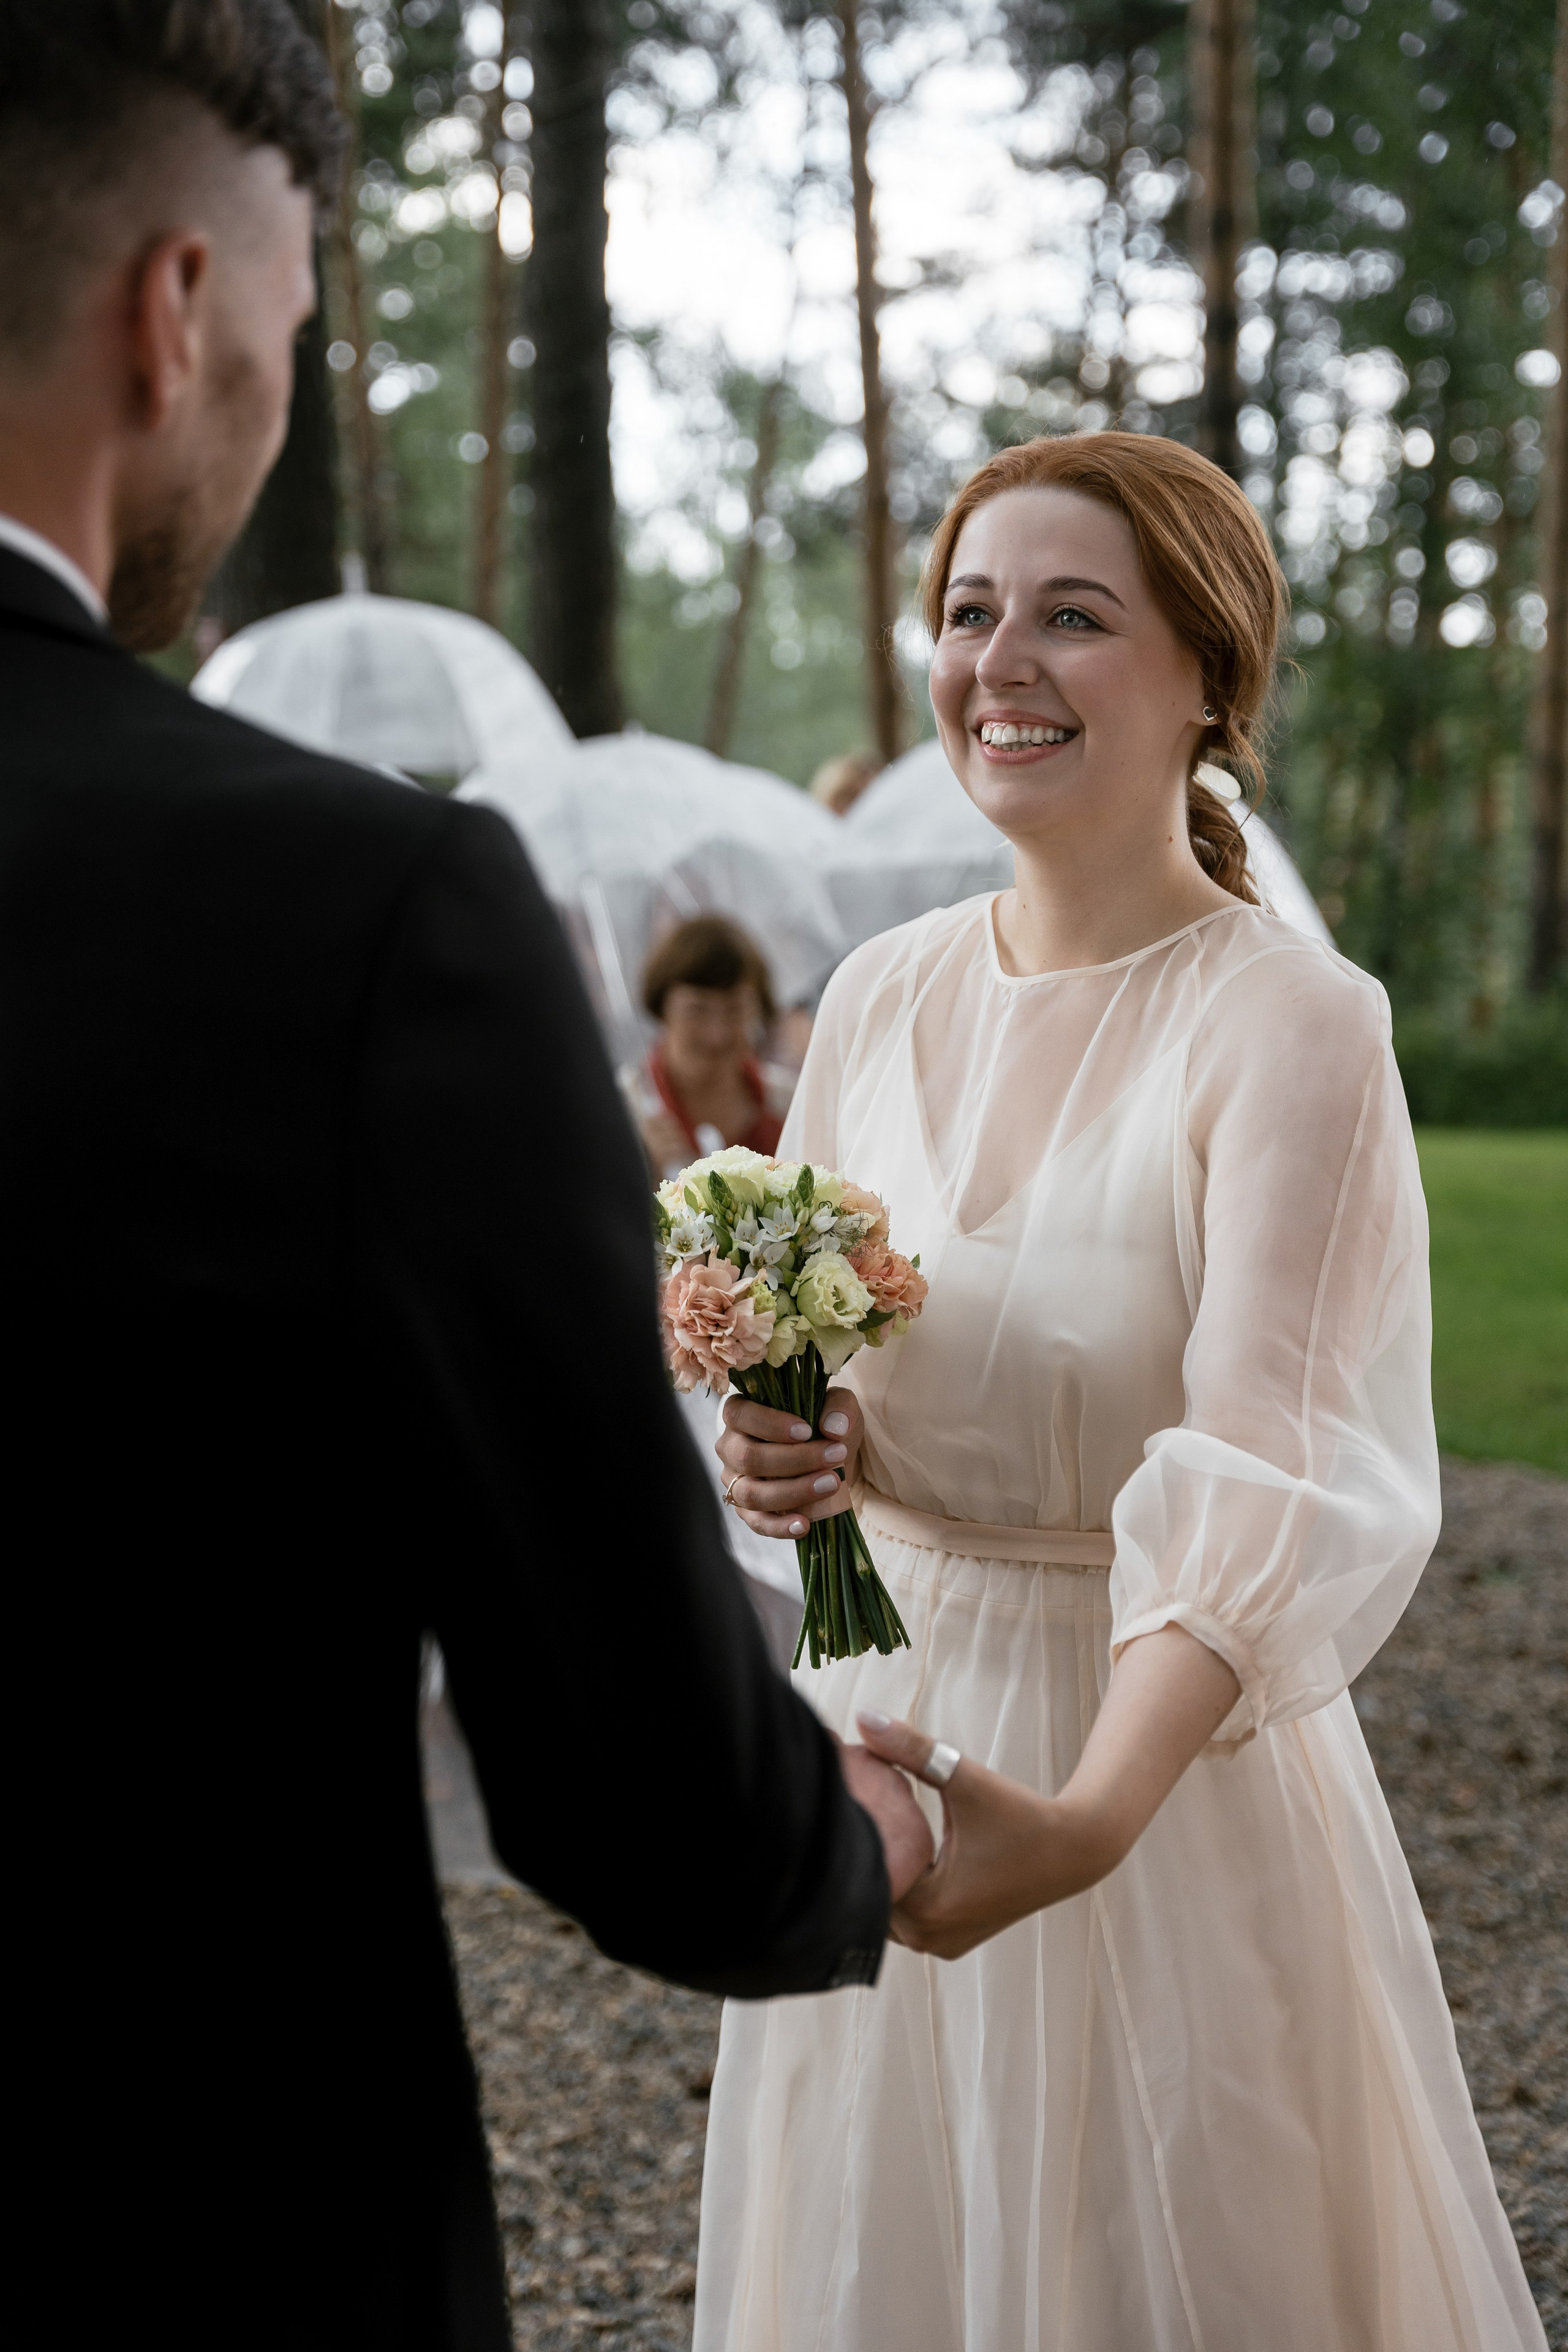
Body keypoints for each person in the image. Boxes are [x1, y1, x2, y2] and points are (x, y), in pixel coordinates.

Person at [0, 9, 931, 2347]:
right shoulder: (356, 912)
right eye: (299, 335)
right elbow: (645, 1803)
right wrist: (869, 1843)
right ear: (178, 315)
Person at [697, 434, 1548, 2349]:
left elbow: (1268, 1457)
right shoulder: (876, 994)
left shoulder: (1293, 1021)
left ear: (1207, 676)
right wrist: (786, 1443)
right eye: (969, 611)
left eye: (1071, 616)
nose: (1000, 660)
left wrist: (1082, 1822)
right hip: (885, 1739)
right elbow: (826, 1369)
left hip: (1150, 1778)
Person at [630, 914, 790, 1177]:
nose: (717, 1034)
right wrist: (639, 1169)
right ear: (662, 1007)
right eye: (697, 1010)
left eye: (735, 1009)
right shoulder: (625, 1112)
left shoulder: (790, 1103)